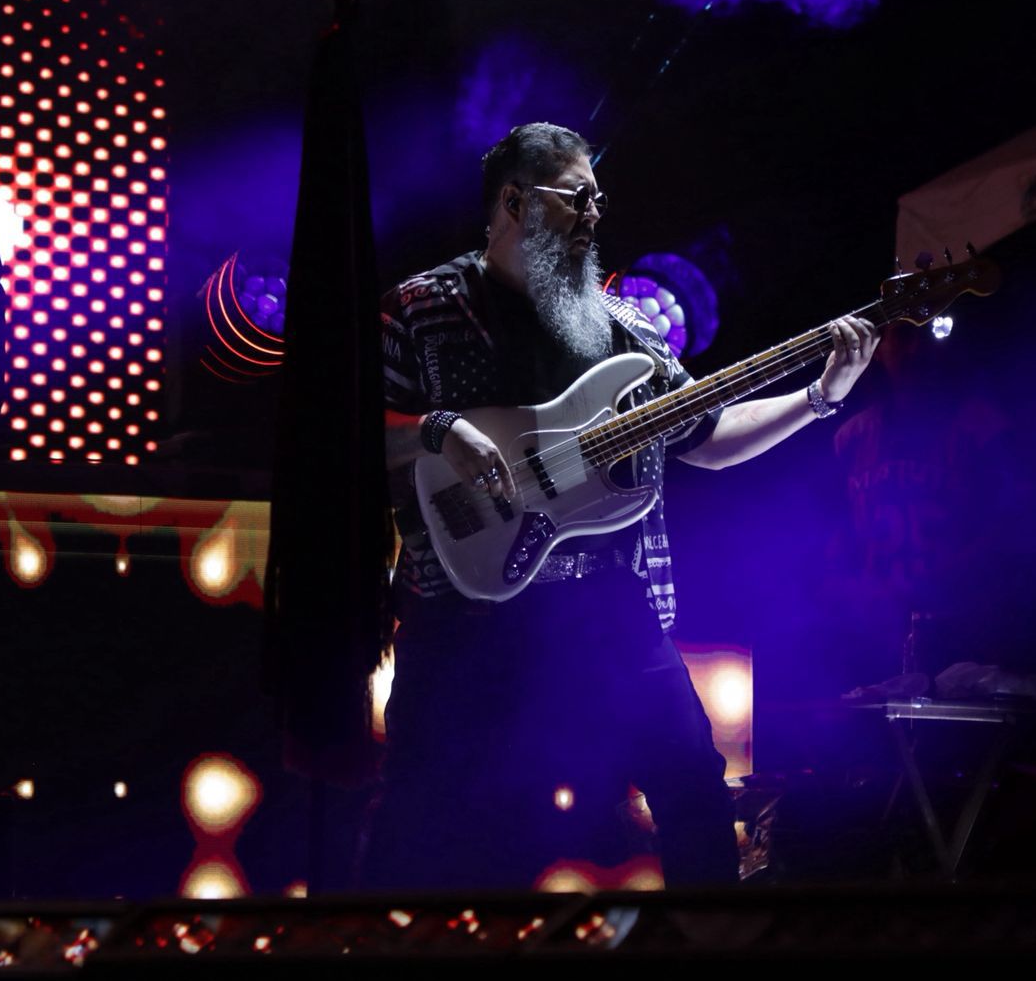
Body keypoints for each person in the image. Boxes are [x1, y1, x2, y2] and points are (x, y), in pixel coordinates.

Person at [367, 122, 876, 890]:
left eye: (598, 199)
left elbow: (705, 437)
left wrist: (818, 398)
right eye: (576, 198)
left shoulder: (625, 328)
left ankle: (700, 944)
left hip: (603, 603)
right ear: (514, 201)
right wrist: (441, 431)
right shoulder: (418, 308)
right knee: (425, 812)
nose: (595, 214)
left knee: (695, 793)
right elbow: (352, 434)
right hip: (463, 612)